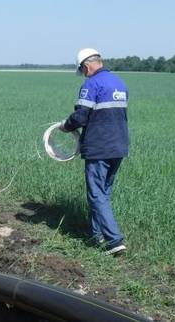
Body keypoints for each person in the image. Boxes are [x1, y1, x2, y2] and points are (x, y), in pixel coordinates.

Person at [61, 48, 129, 256]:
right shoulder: (119, 83)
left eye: (82, 70)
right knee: (104, 192)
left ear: (86, 66)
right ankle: (96, 234)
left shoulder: (91, 84)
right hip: (119, 147)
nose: (83, 74)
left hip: (99, 148)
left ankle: (114, 240)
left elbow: (81, 116)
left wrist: (66, 126)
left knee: (96, 194)